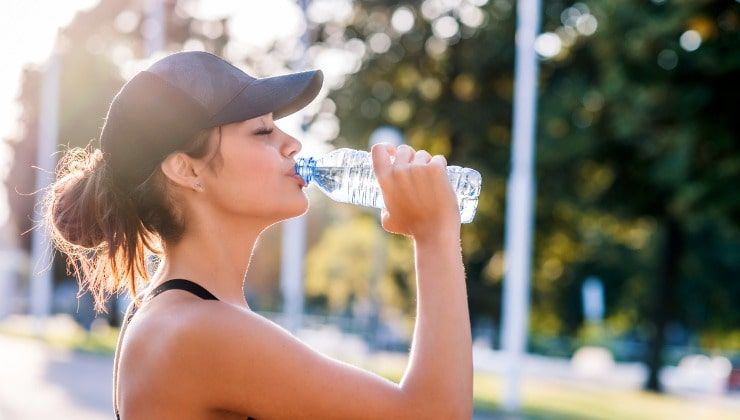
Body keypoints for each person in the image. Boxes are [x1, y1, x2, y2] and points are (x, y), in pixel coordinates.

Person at [45, 51, 472, 419]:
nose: (292, 145)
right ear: (186, 169)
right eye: (264, 131)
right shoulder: (196, 330)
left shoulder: (186, 315)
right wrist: (434, 236)